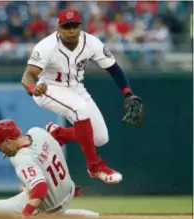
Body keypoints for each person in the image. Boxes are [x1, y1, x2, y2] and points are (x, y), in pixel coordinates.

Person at [21, 9, 144, 184]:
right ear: (58, 28)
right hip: (49, 88)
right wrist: (33, 88)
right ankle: (95, 166)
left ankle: (59, 134)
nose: (71, 30)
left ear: (80, 26)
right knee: (80, 110)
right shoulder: (46, 46)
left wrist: (127, 93)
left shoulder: (91, 42)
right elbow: (27, 76)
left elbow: (113, 67)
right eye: (66, 26)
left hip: (76, 88)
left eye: (74, 26)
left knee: (100, 138)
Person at [0, 119, 99, 218]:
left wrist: (26, 214)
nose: (0, 150)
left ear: (7, 141)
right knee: (27, 186)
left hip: (51, 207)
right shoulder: (37, 132)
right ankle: (91, 217)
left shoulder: (21, 158)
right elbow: (55, 147)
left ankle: (43, 216)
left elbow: (40, 187)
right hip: (68, 189)